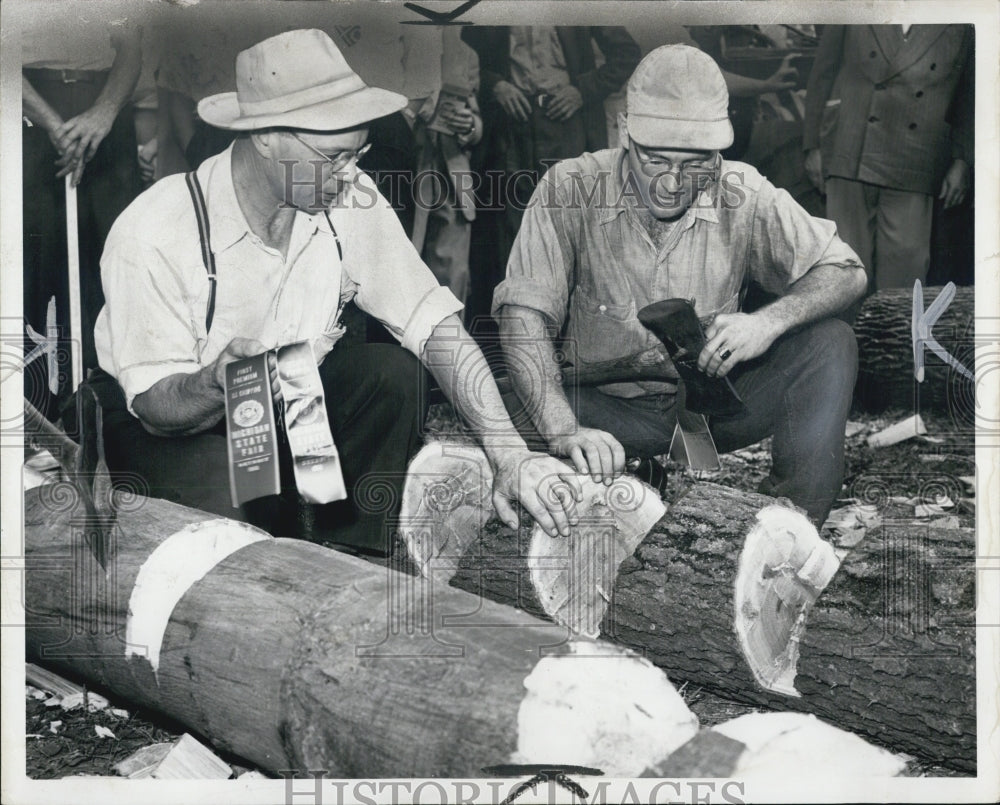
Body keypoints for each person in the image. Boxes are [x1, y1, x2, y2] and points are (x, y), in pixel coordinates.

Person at [93, 29, 580, 555]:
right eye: (334, 157)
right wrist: (215, 383)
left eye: (359, 154)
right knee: (238, 537)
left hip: (284, 404)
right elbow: (154, 405)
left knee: (390, 376)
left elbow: (432, 321)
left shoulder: (347, 197)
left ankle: (346, 554)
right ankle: (258, 540)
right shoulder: (156, 227)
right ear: (265, 136)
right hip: (175, 426)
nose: (351, 175)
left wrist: (511, 454)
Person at [494, 45, 868, 526]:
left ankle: (790, 530)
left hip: (706, 412)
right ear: (625, 129)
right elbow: (522, 318)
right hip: (601, 411)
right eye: (655, 160)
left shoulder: (742, 191)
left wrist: (767, 322)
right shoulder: (569, 189)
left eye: (695, 164)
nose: (672, 182)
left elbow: (847, 270)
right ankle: (612, 475)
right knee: (502, 413)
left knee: (829, 344)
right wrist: (563, 430)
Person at [460, 25, 641, 329]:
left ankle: (575, 338)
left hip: (566, 124)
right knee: (513, 237)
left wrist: (582, 90)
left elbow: (626, 53)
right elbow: (464, 54)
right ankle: (519, 340)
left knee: (571, 232)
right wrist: (495, 85)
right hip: (511, 127)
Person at [21, 5, 144, 422]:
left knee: (117, 262)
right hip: (29, 105)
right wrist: (51, 125)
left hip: (106, 107)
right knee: (34, 268)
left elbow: (131, 45)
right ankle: (37, 417)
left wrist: (104, 113)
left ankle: (108, 412)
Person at [802, 24, 973, 298]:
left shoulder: (963, 16)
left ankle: (892, 341)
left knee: (905, 274)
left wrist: (962, 158)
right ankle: (846, 341)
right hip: (850, 147)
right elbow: (823, 72)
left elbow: (970, 88)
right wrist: (812, 145)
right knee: (843, 269)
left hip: (916, 158)